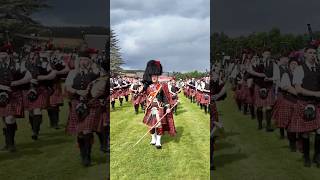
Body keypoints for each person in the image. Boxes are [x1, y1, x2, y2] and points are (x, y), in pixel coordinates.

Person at [65, 53, 101, 166]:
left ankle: (87, 156)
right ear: (78, 61)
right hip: (77, 103)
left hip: (90, 104)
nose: (84, 62)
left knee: (88, 131)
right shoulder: (72, 73)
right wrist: (77, 91)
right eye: (82, 60)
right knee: (80, 133)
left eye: (86, 60)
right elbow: (68, 86)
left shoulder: (95, 73)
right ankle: (82, 153)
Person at [289, 45, 320, 167]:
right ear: (305, 55)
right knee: (305, 133)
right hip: (304, 103)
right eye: (310, 53)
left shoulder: (318, 68)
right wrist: (316, 94)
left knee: (319, 131)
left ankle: (317, 156)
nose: (313, 55)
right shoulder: (299, 69)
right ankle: (306, 157)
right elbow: (298, 89)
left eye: (314, 53)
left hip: (317, 104)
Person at [0, 50, 31, 152]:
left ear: (8, 54)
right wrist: (3, 86)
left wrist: (17, 82)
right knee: (4, 119)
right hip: (1, 94)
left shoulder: (17, 64)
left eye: (3, 53)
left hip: (14, 95)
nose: (1, 55)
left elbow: (29, 76)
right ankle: (7, 142)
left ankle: (11, 144)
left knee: (10, 118)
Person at [141, 60, 176, 149]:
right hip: (150, 108)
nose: (154, 77)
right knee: (151, 125)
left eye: (155, 76)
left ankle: (158, 141)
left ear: (157, 76)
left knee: (159, 125)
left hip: (159, 108)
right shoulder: (147, 87)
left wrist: (168, 107)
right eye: (152, 76)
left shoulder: (162, 86)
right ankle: (153, 138)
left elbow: (165, 98)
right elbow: (143, 96)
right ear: (150, 76)